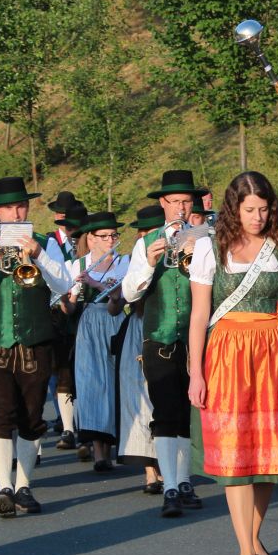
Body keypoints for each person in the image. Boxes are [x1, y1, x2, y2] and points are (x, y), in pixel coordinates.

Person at [187, 172, 278, 555]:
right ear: (233, 208)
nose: (258, 217)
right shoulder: (211, 249)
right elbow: (199, 315)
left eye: (263, 209)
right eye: (249, 210)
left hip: (275, 354)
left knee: (269, 452)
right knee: (234, 452)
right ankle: (245, 549)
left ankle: (254, 534)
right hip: (226, 352)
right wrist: (196, 370)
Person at [0, 177, 74, 518]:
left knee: (32, 416)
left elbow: (65, 285)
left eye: (21, 205)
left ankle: (24, 485)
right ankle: (4, 486)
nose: (16, 211)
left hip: (36, 342)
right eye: (9, 206)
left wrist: (39, 257)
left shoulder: (45, 243)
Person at [121, 170, 208, 518]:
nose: (181, 209)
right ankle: (170, 484)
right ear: (163, 204)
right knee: (165, 412)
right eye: (174, 202)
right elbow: (129, 293)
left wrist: (199, 252)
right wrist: (150, 263)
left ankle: (184, 480)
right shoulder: (145, 243)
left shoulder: (206, 238)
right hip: (159, 337)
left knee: (190, 411)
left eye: (186, 202)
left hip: (198, 336)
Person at [65, 212, 129, 472]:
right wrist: (64, 297)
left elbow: (121, 295)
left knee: (114, 380)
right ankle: (99, 452)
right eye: (104, 236)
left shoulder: (124, 262)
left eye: (114, 235)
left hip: (115, 321)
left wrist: (94, 282)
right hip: (89, 322)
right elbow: (70, 308)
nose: (110, 240)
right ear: (91, 239)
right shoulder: (78, 265)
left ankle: (114, 445)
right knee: (91, 382)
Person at [115, 206, 166, 493]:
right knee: (139, 397)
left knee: (161, 399)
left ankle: (166, 465)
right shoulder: (138, 253)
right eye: (145, 232)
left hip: (164, 325)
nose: (149, 236)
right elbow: (128, 294)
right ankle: (150, 469)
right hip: (139, 326)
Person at [44, 193, 86, 454]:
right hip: (56, 311)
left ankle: (81, 425)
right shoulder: (49, 242)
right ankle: (68, 426)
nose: (69, 226)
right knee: (61, 371)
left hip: (82, 308)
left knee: (80, 370)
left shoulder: (84, 241)